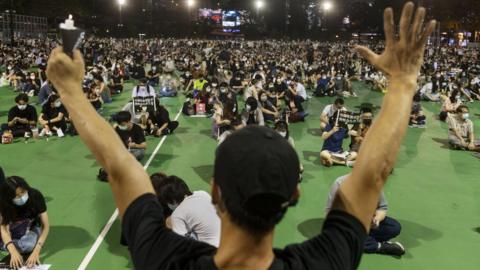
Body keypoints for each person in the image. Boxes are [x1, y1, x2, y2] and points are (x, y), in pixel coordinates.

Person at [45, 3, 435, 268]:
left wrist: (71, 92)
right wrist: (402, 82)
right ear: (294, 195)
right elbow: (373, 174)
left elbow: (120, 167)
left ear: (215, 193)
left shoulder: (162, 258)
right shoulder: (323, 262)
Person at [326, 175, 405, 256]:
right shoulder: (340, 183)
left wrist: (377, 220)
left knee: (394, 227)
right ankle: (378, 246)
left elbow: (382, 208)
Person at [155, 176, 221, 247]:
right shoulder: (202, 193)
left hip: (213, 250)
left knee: (169, 223)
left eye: (167, 202)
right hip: (228, 239)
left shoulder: (177, 214)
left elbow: (181, 244)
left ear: (172, 200)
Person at [0, 176, 50, 269]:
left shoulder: (35, 196)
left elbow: (46, 226)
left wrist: (36, 251)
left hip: (29, 227)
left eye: (22, 192)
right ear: (9, 197)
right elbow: (4, 228)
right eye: (16, 195)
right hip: (11, 227)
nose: (21, 197)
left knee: (29, 245)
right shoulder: (4, 202)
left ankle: (4, 244)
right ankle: (7, 243)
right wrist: (13, 252)